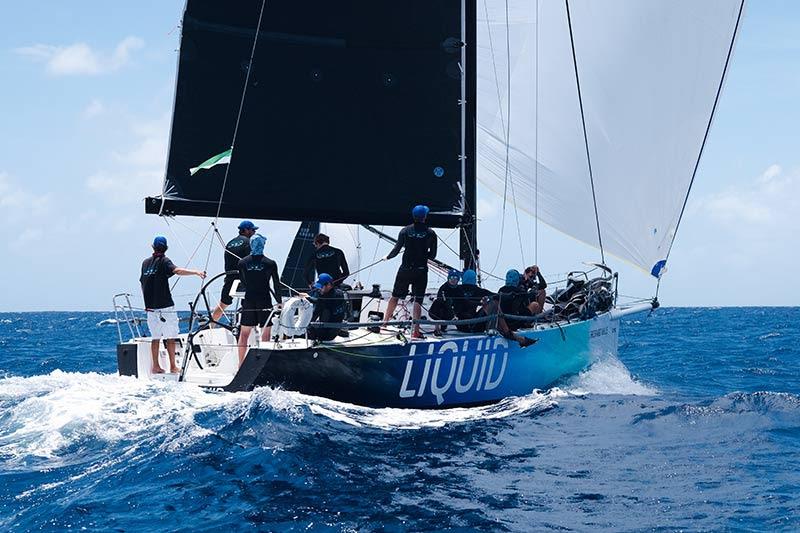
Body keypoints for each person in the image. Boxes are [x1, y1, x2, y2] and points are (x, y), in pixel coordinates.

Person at [140, 236, 206, 374]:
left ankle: (156, 366)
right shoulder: (165, 261)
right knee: (170, 337)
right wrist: (196, 272)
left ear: (153, 247)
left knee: (156, 337)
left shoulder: (145, 263)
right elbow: (176, 271)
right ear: (166, 248)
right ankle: (172, 366)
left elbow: (143, 282)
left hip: (150, 308)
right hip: (165, 307)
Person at [381, 205, 438, 339]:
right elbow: (433, 255)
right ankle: (416, 330)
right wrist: (424, 255)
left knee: (395, 296)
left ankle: (384, 323)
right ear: (424, 217)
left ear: (413, 217)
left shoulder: (405, 231)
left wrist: (387, 257)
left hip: (405, 269)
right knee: (418, 300)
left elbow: (396, 250)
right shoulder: (431, 233)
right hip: (421, 270)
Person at [237, 235, 280, 365]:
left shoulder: (242, 263)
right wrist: (279, 301)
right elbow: (276, 285)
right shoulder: (270, 263)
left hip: (249, 299)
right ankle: (262, 365)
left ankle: (240, 364)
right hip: (264, 300)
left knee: (244, 334)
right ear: (263, 245)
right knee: (265, 333)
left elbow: (243, 281)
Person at [211, 220, 258, 323]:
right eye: (253, 230)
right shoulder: (249, 242)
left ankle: (209, 327)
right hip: (244, 279)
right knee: (250, 303)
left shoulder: (230, 243)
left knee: (223, 304)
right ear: (246, 230)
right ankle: (247, 329)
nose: (254, 232)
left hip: (230, 278)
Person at [307, 273, 347, 342]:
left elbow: (315, 314)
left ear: (329, 285)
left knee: (303, 331)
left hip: (325, 335)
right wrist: (309, 298)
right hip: (335, 331)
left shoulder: (324, 299)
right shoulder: (339, 293)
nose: (319, 289)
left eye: (321, 287)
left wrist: (306, 326)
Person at [429, 270, 461, 336]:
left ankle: (444, 326)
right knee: (438, 303)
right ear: (448, 278)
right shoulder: (443, 288)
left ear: (458, 280)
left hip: (450, 313)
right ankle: (437, 327)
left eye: (455, 278)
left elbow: (461, 302)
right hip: (438, 312)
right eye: (451, 277)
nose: (453, 280)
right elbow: (441, 300)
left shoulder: (459, 290)